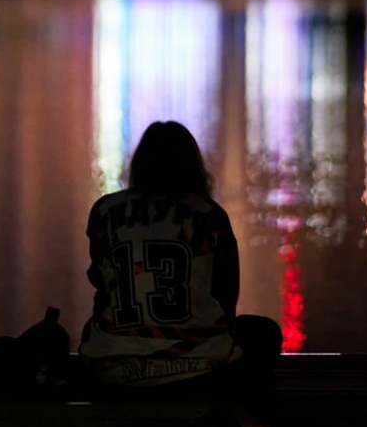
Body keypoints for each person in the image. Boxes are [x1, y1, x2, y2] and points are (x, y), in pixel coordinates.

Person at [78, 120, 283, 390]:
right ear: (192, 165)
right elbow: (226, 296)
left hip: (112, 366)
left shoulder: (104, 210)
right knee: (264, 332)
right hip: (197, 366)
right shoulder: (209, 215)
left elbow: (100, 282)